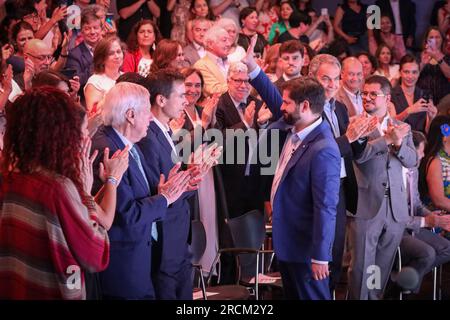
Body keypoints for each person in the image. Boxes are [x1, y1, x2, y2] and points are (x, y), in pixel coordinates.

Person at [0, 86, 127, 299]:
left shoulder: (7, 174)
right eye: (82, 131)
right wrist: (85, 193)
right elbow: (95, 253)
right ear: (61, 135)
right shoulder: (56, 188)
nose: (86, 137)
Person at [91, 82, 192, 299]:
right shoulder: (108, 150)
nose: (150, 118)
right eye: (147, 111)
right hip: (123, 267)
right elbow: (128, 214)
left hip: (139, 259)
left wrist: (161, 191)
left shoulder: (127, 143)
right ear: (130, 115)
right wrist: (165, 198)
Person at [139, 69, 220, 299]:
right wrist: (188, 177)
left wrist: (193, 172)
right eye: (181, 95)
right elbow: (160, 189)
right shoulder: (148, 136)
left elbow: (174, 182)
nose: (186, 100)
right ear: (161, 99)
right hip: (165, 242)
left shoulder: (164, 130)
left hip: (177, 238)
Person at [347, 75, 418, 300]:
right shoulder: (355, 123)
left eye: (373, 94)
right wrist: (386, 141)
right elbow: (360, 156)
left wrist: (398, 144)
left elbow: (412, 160)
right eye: (364, 93)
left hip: (395, 207)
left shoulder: (402, 127)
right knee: (361, 265)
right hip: (367, 205)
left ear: (387, 98)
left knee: (380, 265)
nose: (367, 97)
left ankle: (373, 298)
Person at [399, 130, 450, 294]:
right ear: (409, 150)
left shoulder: (413, 170)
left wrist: (432, 216)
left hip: (414, 226)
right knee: (427, 254)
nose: (422, 156)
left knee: (446, 249)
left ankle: (403, 282)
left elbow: (417, 204)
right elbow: (396, 217)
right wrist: (426, 222)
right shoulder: (392, 172)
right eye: (420, 152)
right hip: (397, 230)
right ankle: (400, 287)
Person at [392, 54, 438, 134]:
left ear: (419, 73)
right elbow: (390, 124)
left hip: (421, 142)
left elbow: (427, 131)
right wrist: (407, 111)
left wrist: (431, 118)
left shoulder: (425, 94)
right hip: (400, 141)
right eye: (406, 72)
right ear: (400, 73)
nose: (410, 76)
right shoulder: (391, 94)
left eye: (414, 72)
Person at [66, 7, 103, 101]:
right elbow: (78, 80)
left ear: (101, 30)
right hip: (86, 100)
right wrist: (99, 60)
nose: (92, 32)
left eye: (96, 28)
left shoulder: (108, 49)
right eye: (87, 28)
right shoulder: (74, 54)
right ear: (81, 32)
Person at [84, 36, 123, 114]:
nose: (117, 56)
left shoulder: (126, 76)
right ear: (102, 58)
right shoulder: (95, 82)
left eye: (118, 52)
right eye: (111, 53)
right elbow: (93, 115)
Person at [193, 25, 231, 97]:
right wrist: (238, 83)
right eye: (224, 40)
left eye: (229, 40)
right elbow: (214, 90)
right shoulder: (201, 65)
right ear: (210, 44)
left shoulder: (232, 63)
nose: (229, 44)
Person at [417, 27, 450, 106]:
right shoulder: (419, 56)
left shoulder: (448, 58)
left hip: (444, 101)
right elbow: (412, 76)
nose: (434, 40)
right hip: (423, 99)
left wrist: (437, 57)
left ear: (442, 40)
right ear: (426, 40)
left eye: (437, 37)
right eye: (431, 37)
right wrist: (422, 63)